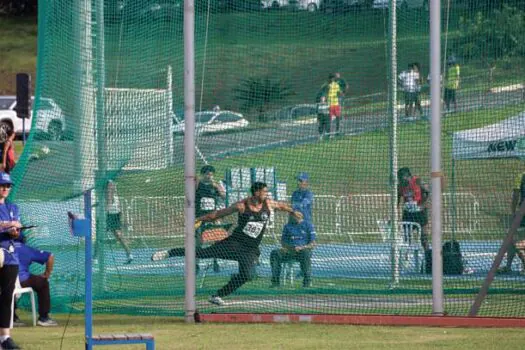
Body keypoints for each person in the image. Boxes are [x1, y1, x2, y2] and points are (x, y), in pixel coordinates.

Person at [151, 182, 304, 306]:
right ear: (256, 193)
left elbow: (282, 206)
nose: (267, 194)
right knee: (202, 253)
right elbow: (217, 214)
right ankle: (169, 253)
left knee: (246, 275)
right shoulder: (241, 206)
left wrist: (293, 212)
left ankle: (217, 296)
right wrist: (200, 219)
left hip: (250, 250)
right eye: (264, 191)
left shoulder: (268, 204)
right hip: (234, 244)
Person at [0, 172, 22, 349]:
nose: (5, 189)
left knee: (7, 297)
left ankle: (5, 338)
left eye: (7, 186)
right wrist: (8, 225)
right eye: (2, 185)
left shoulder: (13, 207)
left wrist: (15, 231)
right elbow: (8, 224)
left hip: (10, 256)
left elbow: (18, 229)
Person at [13, 241, 58, 326]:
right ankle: (43, 318)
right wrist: (46, 274)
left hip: (6, 281)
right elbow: (50, 256)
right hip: (22, 279)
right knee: (43, 283)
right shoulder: (24, 248)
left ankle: (12, 318)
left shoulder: (3, 247)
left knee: (8, 287)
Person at [270, 211, 316, 288]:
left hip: (302, 251)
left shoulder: (308, 225)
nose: (290, 218)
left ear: (298, 217)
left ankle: (307, 282)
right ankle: (275, 282)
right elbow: (283, 242)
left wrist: (302, 247)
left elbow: (313, 244)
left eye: (292, 217)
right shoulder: (287, 226)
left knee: (306, 253)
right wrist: (288, 248)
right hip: (290, 251)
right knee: (275, 253)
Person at [195, 165, 226, 273]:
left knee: (216, 239)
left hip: (212, 217)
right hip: (199, 217)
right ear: (203, 174)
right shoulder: (198, 184)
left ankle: (215, 261)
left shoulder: (214, 185)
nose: (209, 176)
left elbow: (223, 196)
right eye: (207, 174)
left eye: (211, 174)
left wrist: (216, 186)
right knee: (200, 241)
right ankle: (196, 264)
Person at [497, 171, 525, 274]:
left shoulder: (521, 175)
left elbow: (516, 196)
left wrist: (513, 212)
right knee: (511, 239)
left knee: (516, 241)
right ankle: (508, 266)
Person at [397, 167, 430, 252]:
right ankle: (405, 258)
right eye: (400, 179)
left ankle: (427, 256)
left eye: (403, 178)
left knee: (424, 238)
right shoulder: (400, 186)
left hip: (420, 213)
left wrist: (422, 204)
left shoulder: (417, 181)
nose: (402, 181)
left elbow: (428, 192)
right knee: (406, 238)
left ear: (409, 176)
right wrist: (394, 214)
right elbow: (396, 201)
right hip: (408, 214)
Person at [106, 180, 133, 264]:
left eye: (113, 186)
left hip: (114, 215)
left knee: (119, 236)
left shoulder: (113, 192)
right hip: (112, 215)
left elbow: (115, 204)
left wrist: (123, 218)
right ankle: (129, 253)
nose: (112, 187)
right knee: (117, 236)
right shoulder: (109, 193)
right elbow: (109, 203)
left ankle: (129, 254)